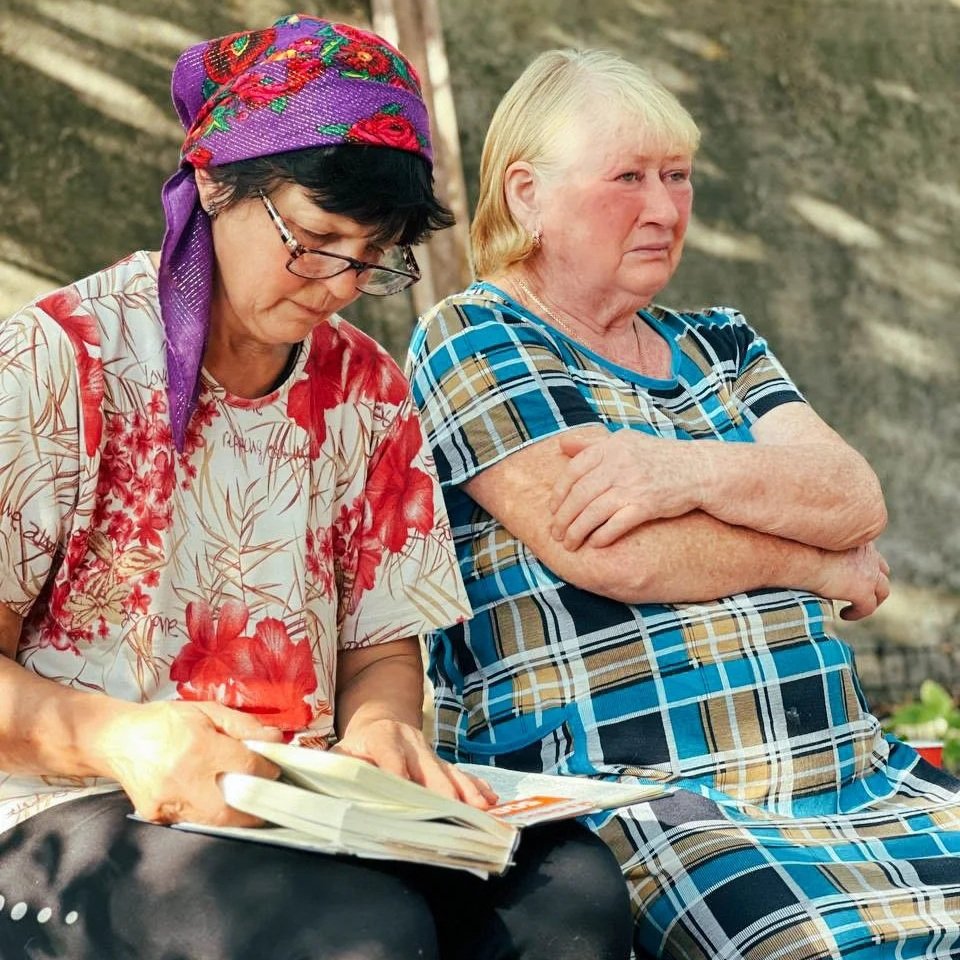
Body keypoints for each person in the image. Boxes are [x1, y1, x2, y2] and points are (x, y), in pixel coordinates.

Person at [0, 19, 633, 960]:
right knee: (353, 932)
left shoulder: (369, 392)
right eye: (318, 237)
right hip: (69, 807)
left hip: (295, 805)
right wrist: (122, 741)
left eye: (371, 255)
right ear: (215, 181)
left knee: (569, 894)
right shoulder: (59, 361)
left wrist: (383, 730)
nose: (341, 282)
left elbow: (382, 648)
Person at [406, 47, 960, 960]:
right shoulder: (475, 334)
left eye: (678, 177)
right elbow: (617, 556)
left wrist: (675, 473)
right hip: (647, 794)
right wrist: (814, 560)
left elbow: (853, 495)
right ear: (526, 194)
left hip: (853, 778)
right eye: (628, 177)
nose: (665, 209)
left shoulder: (721, 345)